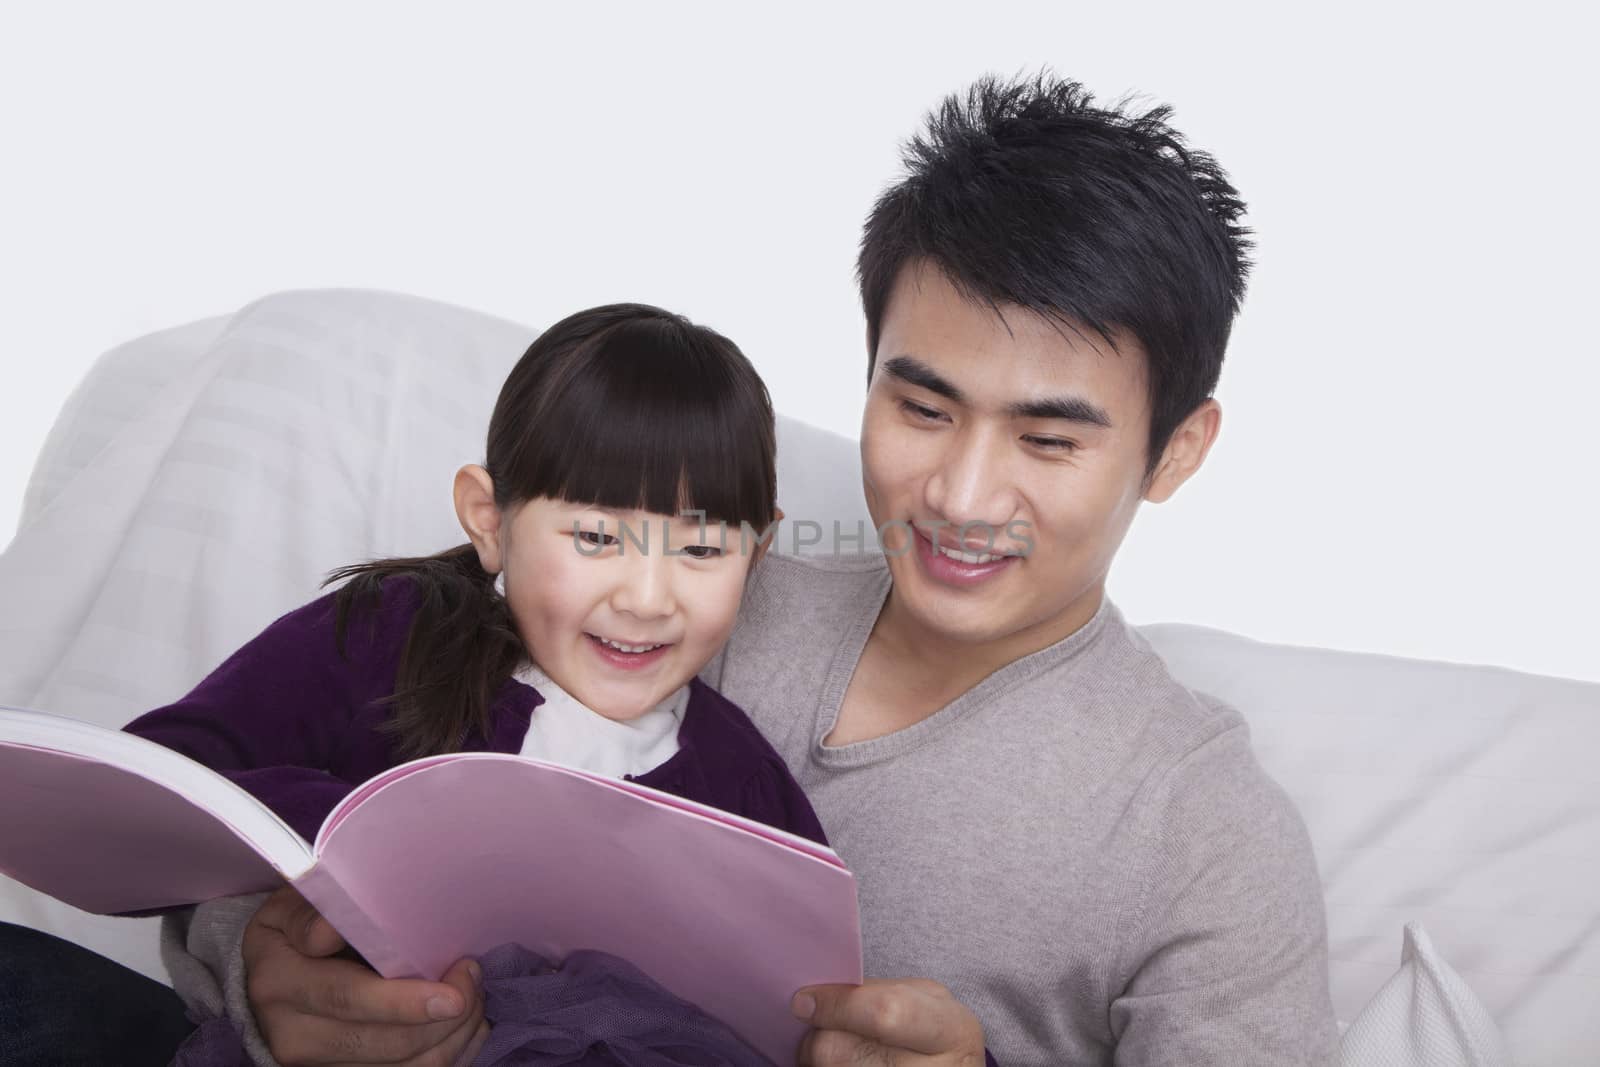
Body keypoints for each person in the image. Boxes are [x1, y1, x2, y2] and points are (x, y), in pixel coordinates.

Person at [0, 72, 1340, 1066]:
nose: (962, 495)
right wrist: (273, 969)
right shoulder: (682, 589)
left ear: (1177, 450)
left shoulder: (1204, 831)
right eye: (920, 407)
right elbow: (295, 808)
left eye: (1049, 437)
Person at [127, 301, 827, 1065]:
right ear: (490, 520)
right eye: (595, 537)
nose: (647, 599)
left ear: (755, 556)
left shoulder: (745, 783)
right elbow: (157, 777)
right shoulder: (392, 634)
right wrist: (370, 830)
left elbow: (826, 1004)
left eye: (701, 549)